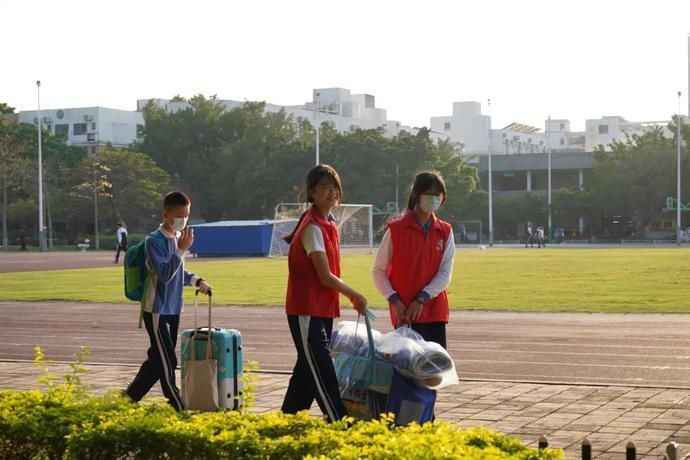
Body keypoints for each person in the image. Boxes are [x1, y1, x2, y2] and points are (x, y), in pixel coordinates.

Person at [281, 164, 367, 422]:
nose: (331, 193)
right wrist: (355, 295)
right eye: (325, 188)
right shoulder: (313, 227)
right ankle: (339, 421)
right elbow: (324, 275)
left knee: (307, 370)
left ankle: (287, 419)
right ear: (312, 192)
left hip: (321, 308)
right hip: (306, 309)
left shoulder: (327, 223)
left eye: (335, 188)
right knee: (322, 368)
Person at [125, 191, 212, 411]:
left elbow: (178, 272)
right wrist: (182, 250)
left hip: (173, 309)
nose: (183, 220)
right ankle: (178, 406)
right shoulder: (153, 241)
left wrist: (197, 280)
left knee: (157, 358)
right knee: (167, 361)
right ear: (166, 214)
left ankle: (129, 397)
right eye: (179, 215)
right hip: (156, 309)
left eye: (186, 215)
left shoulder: (176, 239)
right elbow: (164, 273)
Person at [372, 170, 455, 349]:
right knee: (408, 371)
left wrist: (422, 298)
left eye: (437, 195)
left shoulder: (445, 231)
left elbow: (445, 272)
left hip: (434, 312)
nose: (434, 198)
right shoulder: (396, 230)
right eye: (429, 194)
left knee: (435, 371)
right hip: (405, 313)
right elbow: (379, 271)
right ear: (416, 194)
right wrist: (394, 299)